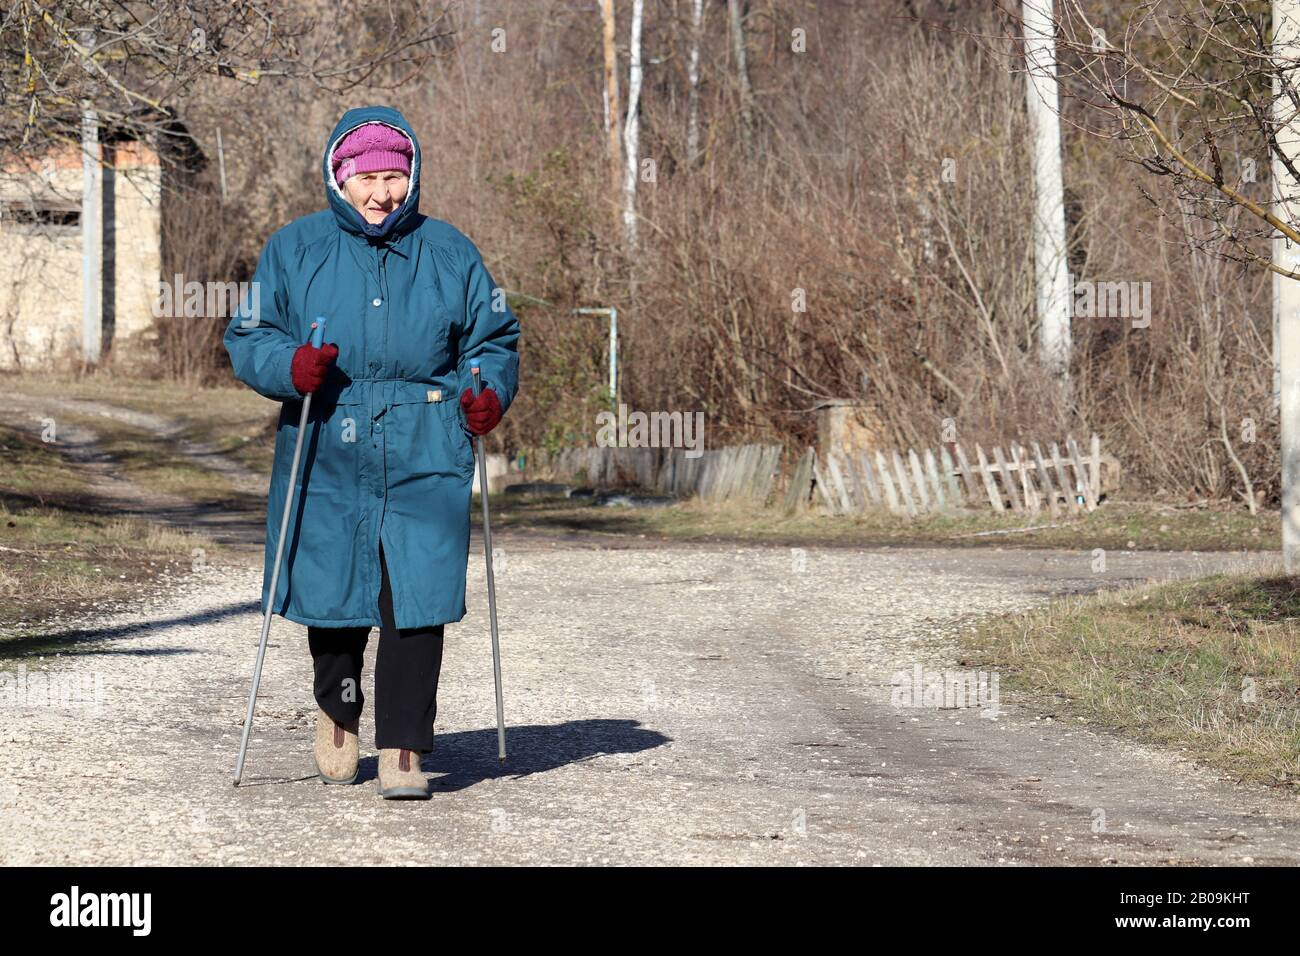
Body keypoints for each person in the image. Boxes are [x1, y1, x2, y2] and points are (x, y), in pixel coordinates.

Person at [223, 105, 520, 800]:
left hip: (426, 436)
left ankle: (405, 745)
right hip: (329, 435)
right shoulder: (295, 249)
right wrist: (290, 366)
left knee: (415, 596)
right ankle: (337, 713)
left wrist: (484, 390)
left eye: (396, 175)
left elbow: (492, 338)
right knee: (334, 591)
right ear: (340, 175)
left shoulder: (449, 251)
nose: (383, 192)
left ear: (412, 176)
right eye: (369, 177)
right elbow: (249, 334)